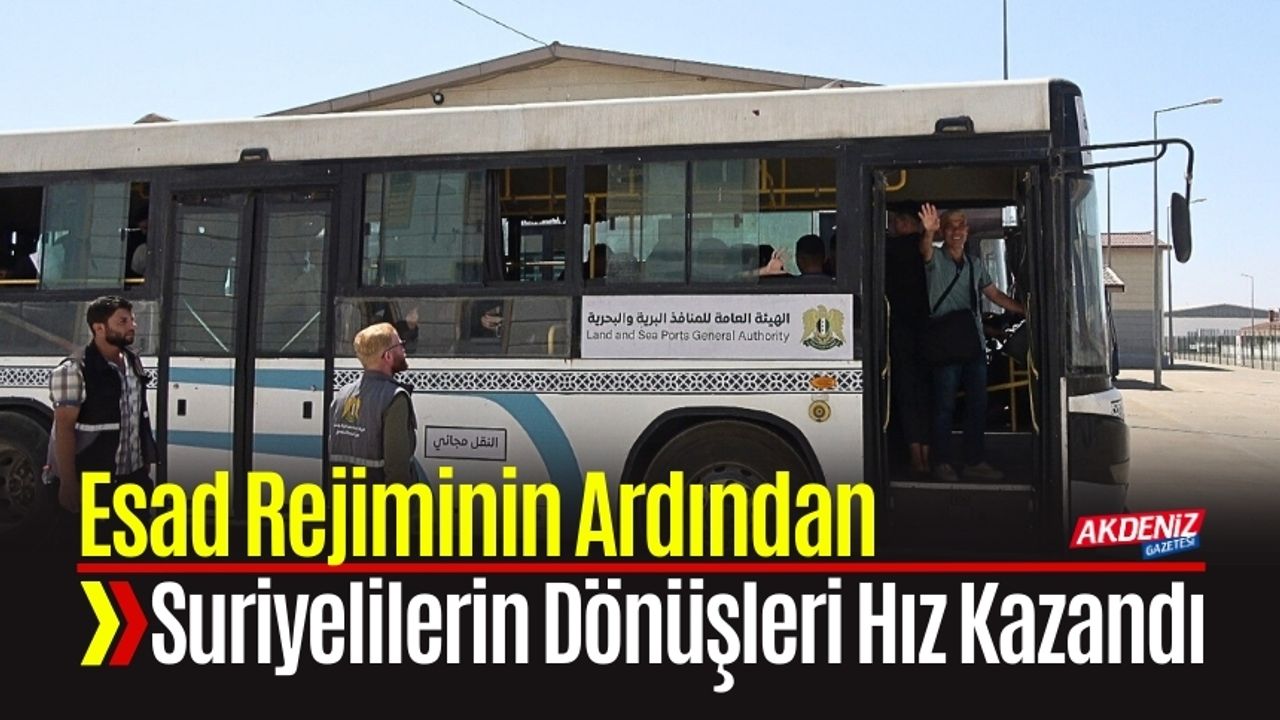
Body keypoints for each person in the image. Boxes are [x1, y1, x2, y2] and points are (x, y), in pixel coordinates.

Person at [918, 204, 1025, 482]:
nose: (956, 231)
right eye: (950, 226)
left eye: (961, 226)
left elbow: (995, 295)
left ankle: (974, 462)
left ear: (967, 231)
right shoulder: (935, 259)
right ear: (943, 231)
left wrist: (1027, 310)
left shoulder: (975, 264)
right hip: (945, 345)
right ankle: (941, 463)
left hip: (973, 345)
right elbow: (925, 250)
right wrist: (927, 232)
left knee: (978, 405)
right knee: (944, 407)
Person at [45, 295, 157, 551]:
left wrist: (145, 462)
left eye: (132, 320)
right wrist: (68, 483)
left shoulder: (133, 362)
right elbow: (63, 429)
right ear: (99, 328)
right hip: (92, 483)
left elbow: (138, 416)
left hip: (132, 481)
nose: (132, 326)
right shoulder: (73, 370)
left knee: (134, 552)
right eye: (123, 321)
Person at [328, 322, 416, 485]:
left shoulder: (342, 394)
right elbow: (397, 469)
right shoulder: (395, 398)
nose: (404, 349)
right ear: (388, 356)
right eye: (399, 344)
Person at [885, 208, 932, 475]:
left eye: (895, 221)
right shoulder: (926, 250)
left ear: (906, 223)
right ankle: (926, 453)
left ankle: (915, 456)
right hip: (927, 332)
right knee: (925, 393)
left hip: (900, 333)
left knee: (906, 393)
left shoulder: (889, 249)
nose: (892, 226)